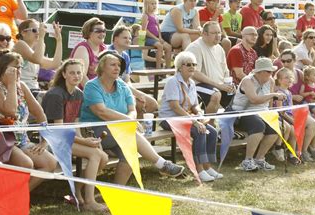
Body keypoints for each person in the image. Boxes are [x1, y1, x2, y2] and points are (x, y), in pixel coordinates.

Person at [80, 51, 185, 185]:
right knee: (130, 134)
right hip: (93, 131)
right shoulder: (92, 86)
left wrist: (130, 119)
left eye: (118, 65)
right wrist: (129, 121)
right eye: (112, 64)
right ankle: (162, 164)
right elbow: (102, 112)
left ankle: (118, 191)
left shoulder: (123, 85)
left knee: (130, 154)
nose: (117, 68)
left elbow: (132, 110)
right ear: (102, 67)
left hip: (119, 131)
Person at [0, 50, 57, 190]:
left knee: (50, 163)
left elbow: (39, 113)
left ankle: (14, 199)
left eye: (20, 67)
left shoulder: (21, 86)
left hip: (20, 140)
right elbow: (10, 111)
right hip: (0, 142)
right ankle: (10, 201)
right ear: (3, 69)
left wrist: (44, 141)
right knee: (26, 164)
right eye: (15, 68)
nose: (19, 71)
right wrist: (11, 84)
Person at [41, 59, 108, 212]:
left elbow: (75, 125)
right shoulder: (56, 95)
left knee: (102, 157)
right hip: (51, 140)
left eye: (79, 72)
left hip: (67, 138)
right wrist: (84, 141)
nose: (76, 76)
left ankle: (76, 192)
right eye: (72, 73)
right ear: (64, 74)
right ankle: (90, 201)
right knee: (95, 155)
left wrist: (85, 140)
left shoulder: (78, 94)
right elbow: (58, 130)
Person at [159, 51, 222, 182]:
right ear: (180, 67)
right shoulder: (172, 81)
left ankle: (207, 166)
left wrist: (199, 113)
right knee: (199, 131)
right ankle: (199, 171)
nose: (192, 67)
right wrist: (194, 121)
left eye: (194, 64)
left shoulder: (191, 83)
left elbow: (194, 105)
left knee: (213, 132)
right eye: (188, 64)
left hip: (185, 117)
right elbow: (175, 107)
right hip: (170, 119)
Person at [230, 58, 284, 171]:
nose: (271, 74)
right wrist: (273, 95)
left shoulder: (271, 81)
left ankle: (260, 159)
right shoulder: (247, 81)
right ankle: (247, 160)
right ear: (260, 72)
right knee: (258, 125)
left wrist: (272, 113)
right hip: (243, 113)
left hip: (262, 112)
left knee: (276, 126)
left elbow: (268, 105)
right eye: (269, 72)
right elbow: (254, 99)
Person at [276, 49, 315, 162]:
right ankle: (301, 151)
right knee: (311, 123)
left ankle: (312, 148)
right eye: (283, 61)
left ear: (295, 60)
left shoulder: (300, 73)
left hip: (302, 105)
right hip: (291, 108)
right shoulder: (280, 75)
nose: (286, 63)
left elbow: (309, 86)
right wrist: (294, 97)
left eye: (289, 61)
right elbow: (277, 94)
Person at [108, 25, 158, 118]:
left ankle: (132, 127)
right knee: (134, 103)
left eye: (130, 38)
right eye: (125, 38)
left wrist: (132, 93)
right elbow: (114, 81)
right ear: (115, 39)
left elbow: (127, 80)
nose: (128, 40)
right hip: (110, 92)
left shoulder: (125, 55)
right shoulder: (108, 53)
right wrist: (135, 94)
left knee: (152, 104)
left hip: (124, 89)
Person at [186, 21, 235, 114]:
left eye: (219, 32)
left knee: (238, 95)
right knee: (215, 94)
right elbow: (195, 73)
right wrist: (218, 85)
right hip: (196, 86)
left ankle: (230, 124)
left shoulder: (219, 48)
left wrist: (229, 84)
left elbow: (225, 70)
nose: (218, 36)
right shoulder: (195, 47)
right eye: (214, 33)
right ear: (204, 34)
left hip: (218, 85)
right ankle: (208, 124)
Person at [12, 19, 63, 96]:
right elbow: (36, 59)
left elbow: (55, 64)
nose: (38, 33)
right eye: (35, 30)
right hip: (20, 89)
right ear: (23, 33)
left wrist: (59, 40)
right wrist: (41, 38)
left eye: (39, 30)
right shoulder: (20, 44)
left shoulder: (38, 47)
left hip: (33, 89)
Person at [69, 18, 107, 87]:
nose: (102, 33)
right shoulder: (82, 49)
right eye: (98, 31)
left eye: (104, 31)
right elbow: (82, 77)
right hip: (85, 92)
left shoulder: (104, 48)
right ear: (89, 33)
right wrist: (96, 92)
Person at [272, 68, 299, 165]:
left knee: (295, 129)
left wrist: (294, 119)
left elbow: (290, 108)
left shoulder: (289, 92)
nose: (289, 80)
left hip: (289, 117)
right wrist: (291, 120)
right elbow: (281, 111)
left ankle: (293, 153)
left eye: (290, 77)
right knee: (290, 127)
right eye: (286, 78)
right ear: (279, 80)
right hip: (281, 117)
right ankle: (279, 147)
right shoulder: (279, 93)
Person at [141, 0, 172, 69]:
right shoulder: (146, 16)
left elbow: (158, 28)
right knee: (159, 46)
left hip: (156, 37)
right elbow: (144, 30)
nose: (154, 5)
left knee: (168, 47)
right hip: (148, 38)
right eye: (152, 4)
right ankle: (158, 67)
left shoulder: (155, 16)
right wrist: (156, 38)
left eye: (155, 3)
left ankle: (168, 66)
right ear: (147, 5)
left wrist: (160, 37)